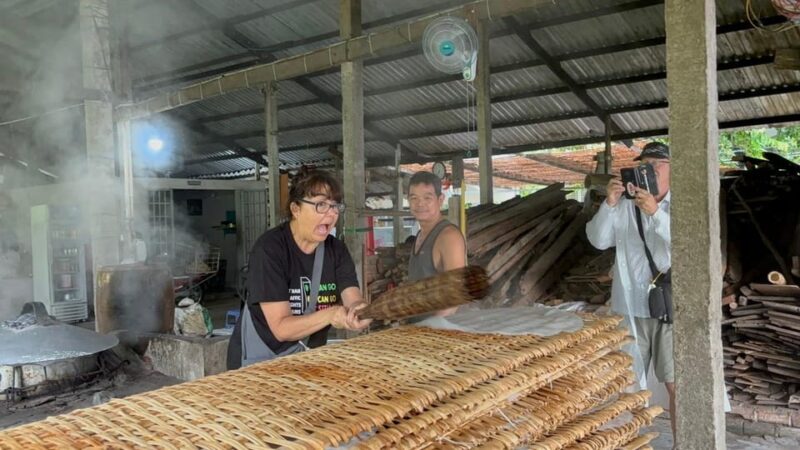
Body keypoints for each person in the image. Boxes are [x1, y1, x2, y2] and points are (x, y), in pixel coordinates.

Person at [226, 168, 371, 369]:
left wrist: (360, 310)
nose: (331, 213)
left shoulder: (336, 250)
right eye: (321, 204)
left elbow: (353, 297)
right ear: (296, 209)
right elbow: (281, 329)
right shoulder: (270, 249)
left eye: (335, 205)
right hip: (261, 360)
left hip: (307, 359)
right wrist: (332, 314)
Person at [585, 142, 674, 435]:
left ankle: (683, 443)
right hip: (629, 307)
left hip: (670, 309)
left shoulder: (681, 203)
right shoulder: (623, 205)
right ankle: (634, 441)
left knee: (677, 384)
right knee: (628, 383)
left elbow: (685, 250)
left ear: (671, 169)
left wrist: (656, 213)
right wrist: (609, 203)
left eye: (657, 165)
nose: (648, 170)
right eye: (644, 164)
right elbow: (598, 240)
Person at [407, 171, 467, 317]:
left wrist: (430, 331)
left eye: (427, 198)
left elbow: (455, 295)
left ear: (440, 200)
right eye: (414, 198)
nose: (420, 204)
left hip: (445, 334)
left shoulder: (448, 237)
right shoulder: (420, 235)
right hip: (420, 332)